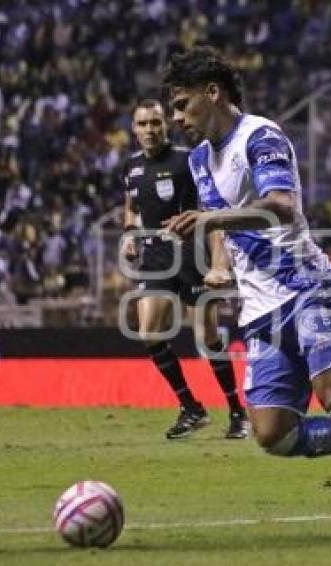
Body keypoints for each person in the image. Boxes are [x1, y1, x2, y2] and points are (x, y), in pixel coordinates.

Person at [160, 46, 331, 546]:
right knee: (273, 434)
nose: (176, 118)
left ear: (212, 92)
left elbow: (281, 206)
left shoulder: (260, 137)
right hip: (261, 309)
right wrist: (220, 264)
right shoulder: (200, 158)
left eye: (182, 104)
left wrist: (212, 220)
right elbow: (218, 217)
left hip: (308, 287)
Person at [120, 99, 249, 440]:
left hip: (192, 253)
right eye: (143, 124)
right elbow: (131, 209)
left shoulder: (188, 161)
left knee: (206, 338)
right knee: (149, 333)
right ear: (134, 129)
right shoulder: (131, 167)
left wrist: (219, 259)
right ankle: (191, 407)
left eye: (155, 123)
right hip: (155, 258)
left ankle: (237, 413)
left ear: (166, 125)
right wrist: (129, 236)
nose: (150, 129)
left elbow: (213, 210)